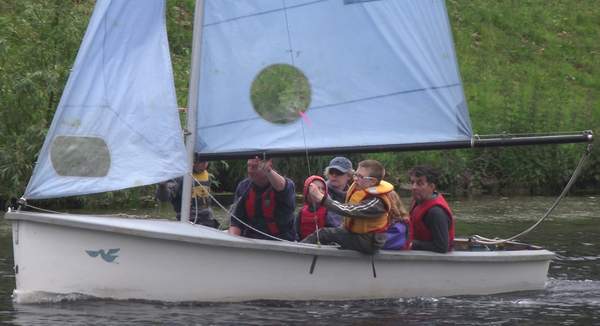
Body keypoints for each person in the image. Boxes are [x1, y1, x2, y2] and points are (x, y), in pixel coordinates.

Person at [302, 160, 394, 254]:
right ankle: (303, 247)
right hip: (356, 234)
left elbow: (349, 210)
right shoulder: (359, 188)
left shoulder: (377, 202)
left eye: (360, 177)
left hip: (369, 242)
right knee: (331, 233)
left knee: (325, 233)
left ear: (372, 181)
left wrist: (322, 199)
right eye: (356, 174)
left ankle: (300, 250)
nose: (355, 179)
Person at [228, 157, 296, 241]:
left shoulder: (287, 185)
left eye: (254, 167)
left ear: (269, 164)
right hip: (251, 240)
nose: (250, 171)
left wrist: (268, 170)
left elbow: (282, 186)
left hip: (281, 241)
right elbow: (236, 222)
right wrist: (232, 242)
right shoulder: (243, 187)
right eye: (249, 166)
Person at [156, 154, 220, 228]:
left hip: (208, 220)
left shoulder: (207, 175)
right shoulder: (180, 176)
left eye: (206, 161)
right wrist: (162, 186)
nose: (204, 165)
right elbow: (164, 198)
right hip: (188, 222)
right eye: (201, 162)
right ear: (192, 161)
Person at [408, 165, 454, 253]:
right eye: (412, 182)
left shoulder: (436, 212)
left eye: (419, 183)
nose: (414, 187)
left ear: (432, 187)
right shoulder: (418, 201)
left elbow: (441, 247)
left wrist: (411, 244)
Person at [295, 175, 341, 240]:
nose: (321, 191)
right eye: (316, 188)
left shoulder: (330, 211)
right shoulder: (301, 212)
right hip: (304, 245)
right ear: (307, 191)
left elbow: (335, 232)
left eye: (323, 189)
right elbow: (295, 232)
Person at [323, 156, 354, 226]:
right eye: (331, 172)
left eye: (339, 172)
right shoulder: (320, 190)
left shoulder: (353, 195)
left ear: (349, 176)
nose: (334, 175)